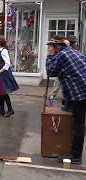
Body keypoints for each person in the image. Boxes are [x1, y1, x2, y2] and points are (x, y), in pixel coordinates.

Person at [46, 35, 86, 164]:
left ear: (57, 47)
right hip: (81, 91)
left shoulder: (61, 55)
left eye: (51, 47)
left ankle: (75, 156)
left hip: (79, 93)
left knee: (78, 125)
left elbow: (51, 71)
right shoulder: (74, 52)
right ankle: (73, 152)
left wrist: (50, 55)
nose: (50, 49)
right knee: (78, 123)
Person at [0, 35, 19, 117]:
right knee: (0, 93)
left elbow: (7, 64)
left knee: (4, 93)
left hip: (4, 74)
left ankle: (10, 110)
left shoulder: (4, 51)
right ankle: (2, 110)